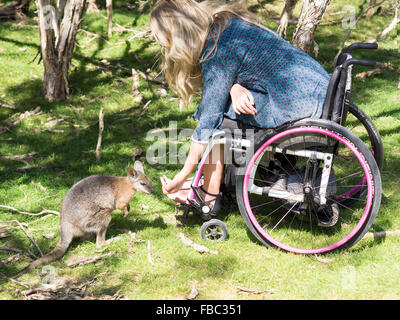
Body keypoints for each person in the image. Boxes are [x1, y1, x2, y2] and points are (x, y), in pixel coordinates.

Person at [150, 0, 330, 213]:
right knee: (222, 113)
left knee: (219, 123)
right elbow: (252, 63)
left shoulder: (217, 49)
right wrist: (234, 87)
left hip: (300, 106)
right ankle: (208, 187)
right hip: (316, 93)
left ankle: (208, 198)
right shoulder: (226, 26)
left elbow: (210, 116)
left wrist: (182, 174)